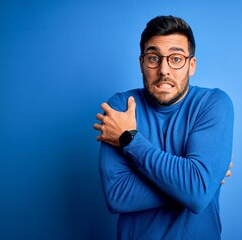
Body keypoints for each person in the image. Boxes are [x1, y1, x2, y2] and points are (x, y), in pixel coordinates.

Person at [93, 15, 234, 240]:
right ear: (141, 63)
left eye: (176, 58)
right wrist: (200, 182)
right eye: (153, 58)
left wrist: (129, 138)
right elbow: (117, 195)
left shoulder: (213, 103)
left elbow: (197, 191)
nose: (164, 70)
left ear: (192, 65)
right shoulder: (120, 107)